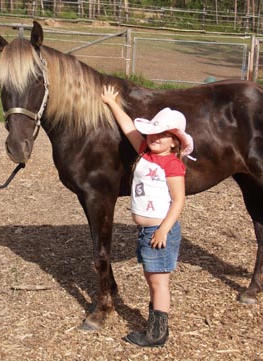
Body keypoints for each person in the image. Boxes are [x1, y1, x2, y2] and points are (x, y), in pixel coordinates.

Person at [101, 85, 194, 347]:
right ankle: (154, 327)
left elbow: (178, 200)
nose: (155, 137)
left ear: (175, 141)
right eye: (153, 132)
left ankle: (157, 333)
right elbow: (129, 127)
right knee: (152, 280)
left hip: (159, 232)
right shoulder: (145, 151)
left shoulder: (172, 164)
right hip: (146, 232)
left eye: (163, 135)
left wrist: (164, 229)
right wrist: (111, 103)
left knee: (159, 283)